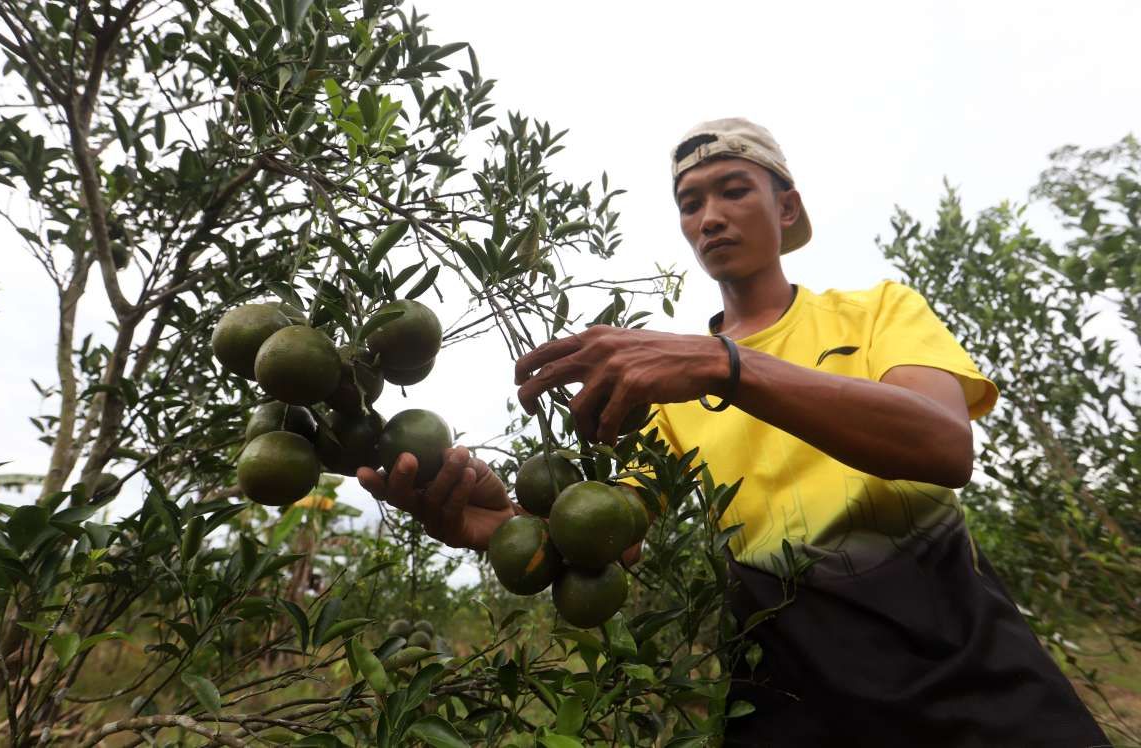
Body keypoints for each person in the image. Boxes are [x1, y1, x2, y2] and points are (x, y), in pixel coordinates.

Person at [357, 118, 1109, 747]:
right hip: (791, 693)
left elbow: (942, 445)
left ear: (785, 209)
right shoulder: (673, 391)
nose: (708, 215)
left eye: (733, 189)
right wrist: (505, 528)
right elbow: (607, 541)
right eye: (690, 202)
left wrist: (725, 364)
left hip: (969, 668)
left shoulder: (875, 312)